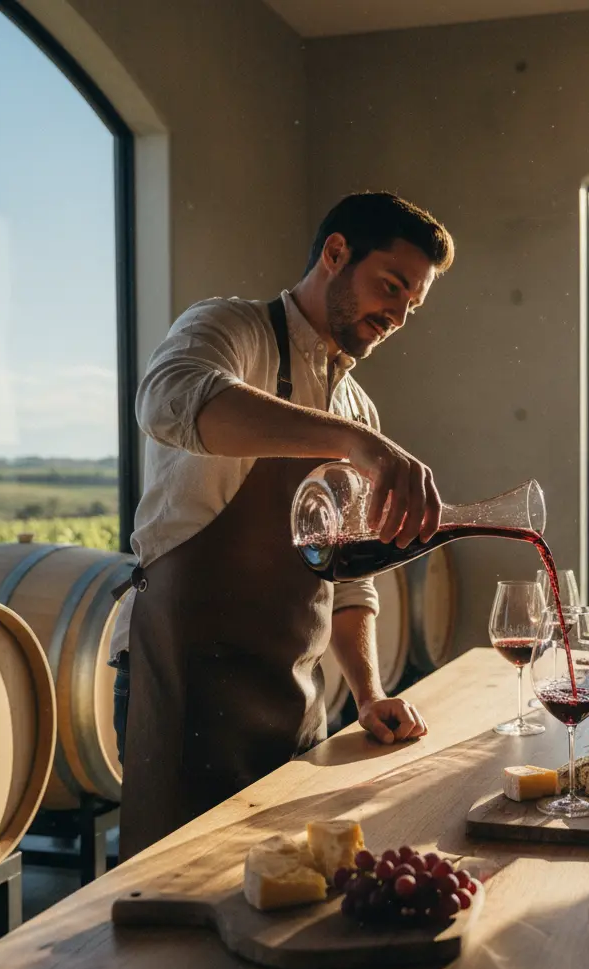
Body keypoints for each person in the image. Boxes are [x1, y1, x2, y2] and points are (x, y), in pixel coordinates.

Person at [112, 192, 454, 858]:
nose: (398, 314)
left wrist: (368, 691)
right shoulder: (230, 328)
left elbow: (348, 579)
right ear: (335, 253)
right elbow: (168, 397)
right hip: (186, 682)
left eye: (411, 305)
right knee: (175, 911)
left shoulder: (357, 405)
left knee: (284, 889)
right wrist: (356, 445)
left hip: (295, 699)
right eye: (391, 286)